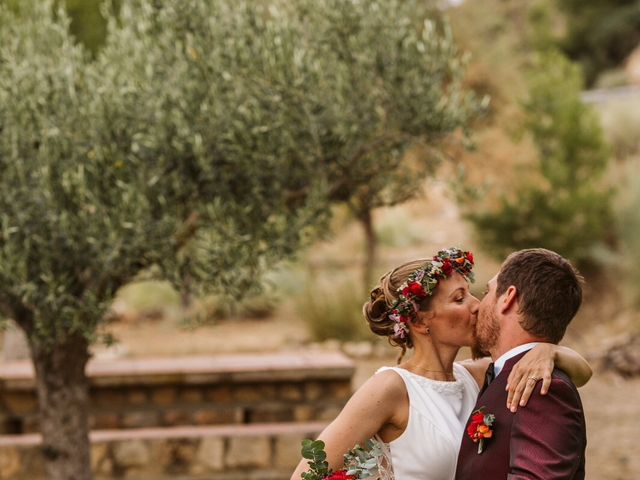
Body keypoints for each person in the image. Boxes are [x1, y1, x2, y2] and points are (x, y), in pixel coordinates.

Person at [290, 247, 592, 480]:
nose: (476, 305)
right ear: (421, 322)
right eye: (459, 299)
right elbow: (308, 473)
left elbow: (582, 373)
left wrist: (549, 352)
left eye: (473, 293)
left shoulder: (479, 376)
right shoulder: (392, 388)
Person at [455, 248, 587, 479]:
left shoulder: (543, 389)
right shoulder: (501, 373)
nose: (478, 304)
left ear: (508, 297)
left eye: (488, 291)